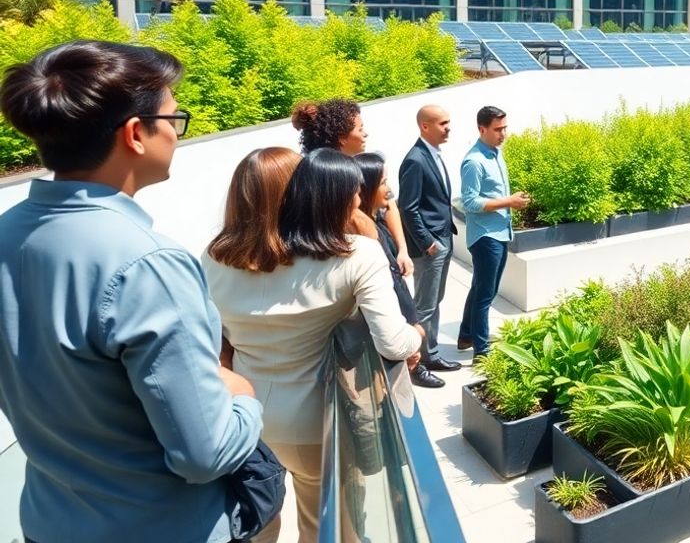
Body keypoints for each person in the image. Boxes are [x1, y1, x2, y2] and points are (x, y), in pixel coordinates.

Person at [0, 40, 263, 543]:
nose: (177, 134)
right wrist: (243, 398)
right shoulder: (147, 263)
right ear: (135, 134)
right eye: (173, 118)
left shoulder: (8, 233)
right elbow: (204, 454)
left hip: (47, 521)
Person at [204, 148, 422, 543]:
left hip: (242, 418)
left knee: (256, 527)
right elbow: (392, 340)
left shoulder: (212, 257)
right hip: (315, 422)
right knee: (324, 528)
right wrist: (418, 336)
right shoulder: (349, 256)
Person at [292, 99, 414, 276]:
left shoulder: (367, 165)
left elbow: (389, 203)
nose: (366, 134)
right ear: (342, 138)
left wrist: (402, 250)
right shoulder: (320, 181)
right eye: (360, 129)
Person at [354, 152, 444, 389]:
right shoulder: (367, 234)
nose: (390, 190)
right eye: (383, 183)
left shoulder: (376, 221)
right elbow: (388, 284)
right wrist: (411, 330)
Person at [457, 106, 529, 358]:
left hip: (499, 232)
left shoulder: (495, 154)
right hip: (486, 237)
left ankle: (466, 335)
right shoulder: (474, 162)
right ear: (482, 129)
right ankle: (482, 351)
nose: (504, 134)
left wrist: (510, 200)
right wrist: (509, 202)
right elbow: (470, 203)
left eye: (505, 128)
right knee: (486, 295)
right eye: (498, 129)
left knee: (480, 288)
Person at [398, 104, 462, 373]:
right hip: (430, 246)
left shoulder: (432, 154)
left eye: (448, 122)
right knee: (424, 305)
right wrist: (428, 243)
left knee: (434, 300)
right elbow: (407, 207)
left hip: (442, 239)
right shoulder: (415, 159)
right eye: (442, 123)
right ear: (425, 126)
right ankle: (419, 361)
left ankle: (431, 353)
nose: (448, 128)